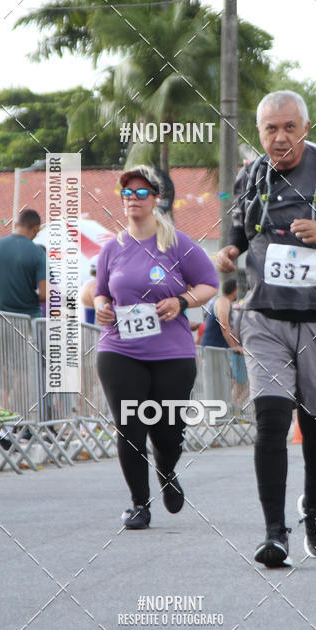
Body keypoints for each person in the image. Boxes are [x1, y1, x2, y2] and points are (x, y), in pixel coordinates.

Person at [217, 90, 316, 566]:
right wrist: (229, 252)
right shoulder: (251, 174)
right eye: (271, 129)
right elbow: (240, 234)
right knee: (270, 420)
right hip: (264, 317)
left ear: (305, 127)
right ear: (260, 132)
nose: (280, 137)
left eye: (289, 127)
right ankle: (274, 532)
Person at [94, 165, 218, 529]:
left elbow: (209, 283)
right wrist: (102, 305)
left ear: (156, 199)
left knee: (167, 431)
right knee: (129, 425)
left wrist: (181, 301)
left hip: (172, 354)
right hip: (120, 350)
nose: (133, 199)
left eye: (141, 193)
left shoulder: (178, 244)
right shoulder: (112, 249)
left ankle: (166, 468)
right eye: (127, 194)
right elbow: (101, 289)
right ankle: (139, 504)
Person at [0, 209, 46, 316]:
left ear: (16, 224)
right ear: (36, 229)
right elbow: (44, 294)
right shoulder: (38, 252)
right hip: (29, 319)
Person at [200, 279, 242, 351]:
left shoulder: (228, 305)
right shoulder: (223, 301)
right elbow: (224, 324)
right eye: (237, 290)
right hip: (213, 350)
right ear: (234, 291)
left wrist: (237, 346)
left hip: (219, 350)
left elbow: (233, 330)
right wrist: (234, 347)